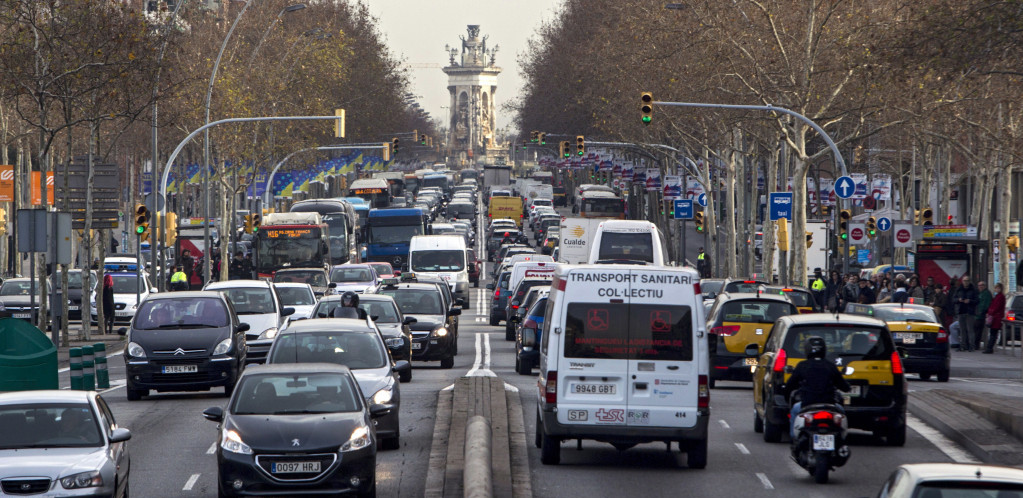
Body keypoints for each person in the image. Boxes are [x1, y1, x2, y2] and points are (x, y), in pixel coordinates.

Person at [784, 336, 851, 439]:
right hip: (829, 405)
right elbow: (845, 387)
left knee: (794, 410)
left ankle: (794, 439)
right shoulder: (830, 366)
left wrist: (786, 395)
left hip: (807, 404)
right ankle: (841, 440)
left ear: (807, 350)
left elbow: (790, 386)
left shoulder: (802, 365)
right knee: (841, 411)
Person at [953, 275, 979, 351]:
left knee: (970, 330)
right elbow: (954, 299)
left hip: (970, 312)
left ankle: (971, 346)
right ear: (962, 281)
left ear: (969, 281)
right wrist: (959, 300)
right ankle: (963, 345)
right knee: (962, 330)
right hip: (961, 311)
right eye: (964, 280)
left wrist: (970, 301)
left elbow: (977, 300)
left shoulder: (973, 290)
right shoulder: (959, 289)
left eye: (967, 280)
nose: (966, 282)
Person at [984, 283, 1007, 354]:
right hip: (994, 317)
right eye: (996, 288)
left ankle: (989, 348)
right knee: (992, 333)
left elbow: (997, 307)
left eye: (998, 288)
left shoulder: (1001, 297)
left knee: (993, 333)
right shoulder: (997, 296)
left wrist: (990, 312)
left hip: (997, 317)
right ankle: (989, 348)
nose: (997, 289)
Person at [974, 281, 992, 351]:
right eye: (979, 285)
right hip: (977, 314)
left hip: (981, 315)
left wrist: (982, 312)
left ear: (985, 286)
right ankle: (975, 344)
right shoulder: (979, 293)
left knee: (978, 330)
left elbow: (985, 304)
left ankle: (976, 345)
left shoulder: (986, 293)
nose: (980, 287)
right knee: (976, 330)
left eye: (982, 285)